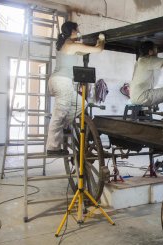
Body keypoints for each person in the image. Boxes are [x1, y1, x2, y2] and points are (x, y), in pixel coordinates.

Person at [46, 21, 105, 155]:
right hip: (62, 81)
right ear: (72, 31)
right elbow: (99, 49)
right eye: (77, 29)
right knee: (59, 114)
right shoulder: (70, 45)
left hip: (60, 81)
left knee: (81, 103)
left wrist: (90, 45)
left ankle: (65, 126)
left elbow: (86, 50)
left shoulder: (68, 45)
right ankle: (52, 147)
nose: (79, 32)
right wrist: (102, 39)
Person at [129, 41, 163, 120]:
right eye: (156, 49)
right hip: (143, 97)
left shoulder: (142, 60)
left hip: (136, 97)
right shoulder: (149, 60)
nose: (157, 51)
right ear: (150, 52)